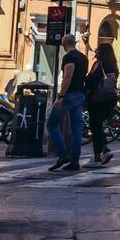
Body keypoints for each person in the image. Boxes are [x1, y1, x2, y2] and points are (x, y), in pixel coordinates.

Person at [46, 34, 89, 172]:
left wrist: (61, 96)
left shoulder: (69, 57)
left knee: (51, 124)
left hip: (69, 95)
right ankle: (75, 160)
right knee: (76, 129)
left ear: (64, 45)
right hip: (80, 95)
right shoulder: (84, 57)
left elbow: (68, 75)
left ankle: (63, 154)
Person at [84, 42, 118, 167]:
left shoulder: (99, 65)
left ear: (101, 52)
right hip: (110, 98)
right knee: (98, 126)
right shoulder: (113, 66)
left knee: (95, 127)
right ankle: (105, 150)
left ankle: (97, 158)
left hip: (98, 99)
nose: (95, 51)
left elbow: (91, 81)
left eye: (97, 50)